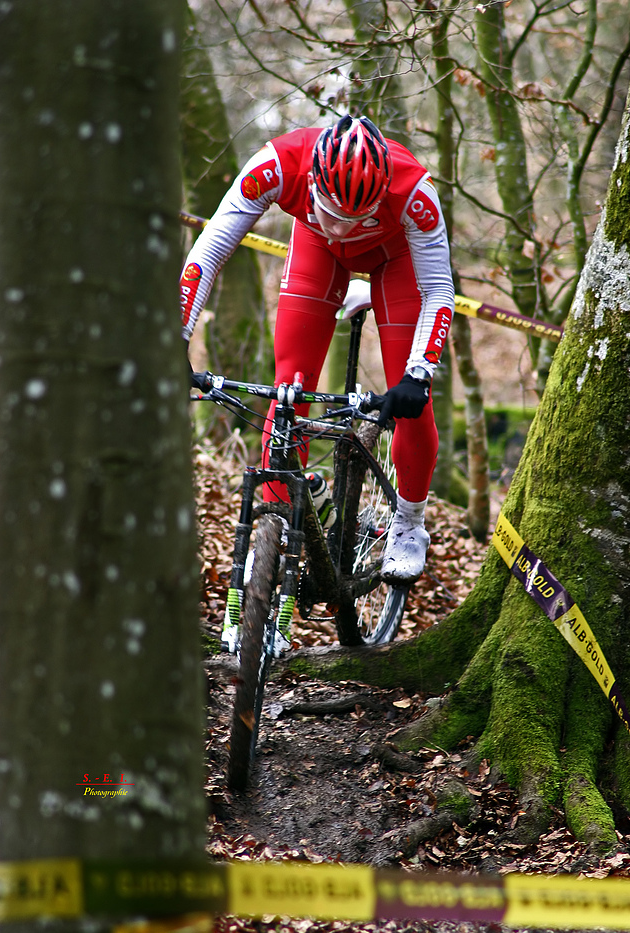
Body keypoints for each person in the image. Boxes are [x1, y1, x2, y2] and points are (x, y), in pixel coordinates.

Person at [180, 115, 454, 583]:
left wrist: (419, 373)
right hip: (315, 252)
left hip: (397, 262)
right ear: (312, 182)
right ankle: (280, 527)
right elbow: (209, 249)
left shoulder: (414, 191)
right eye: (333, 213)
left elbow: (438, 291)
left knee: (410, 403)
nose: (344, 229)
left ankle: (409, 524)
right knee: (289, 388)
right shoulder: (279, 163)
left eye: (358, 218)